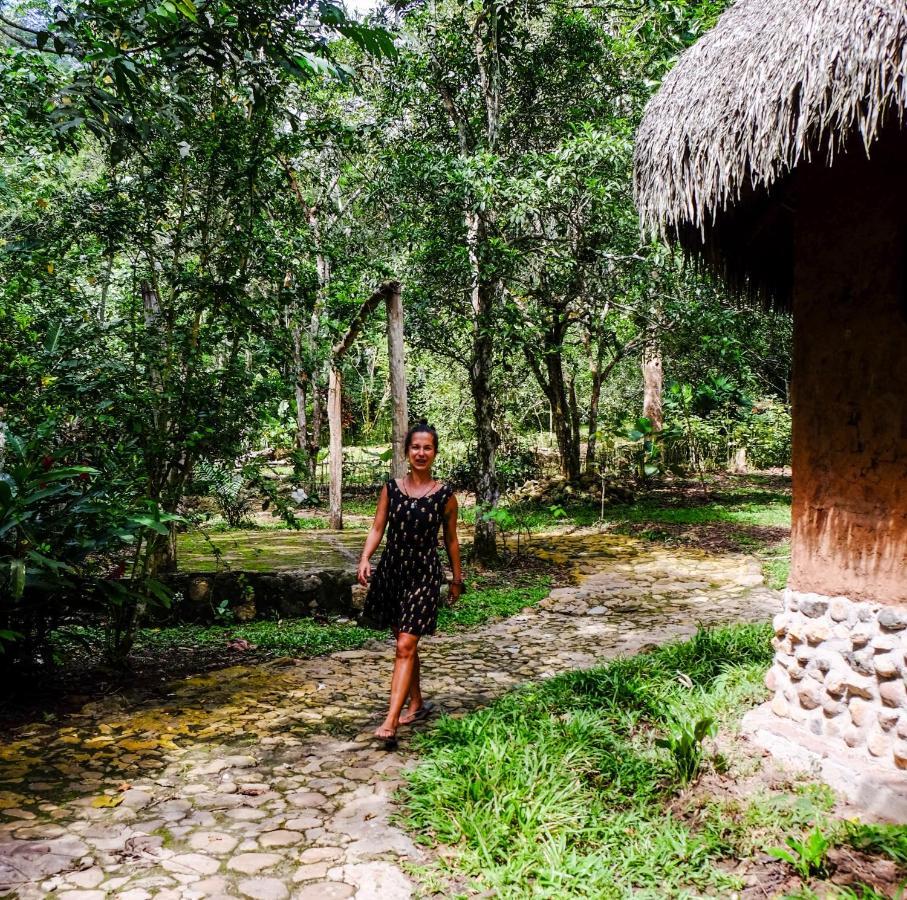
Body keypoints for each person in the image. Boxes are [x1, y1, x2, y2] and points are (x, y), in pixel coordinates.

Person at [357, 421, 463, 747]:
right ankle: (416, 703)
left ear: (435, 453)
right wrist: (364, 558)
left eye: (427, 448)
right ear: (406, 451)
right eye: (415, 447)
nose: (421, 453)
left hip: (423, 575)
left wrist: (457, 578)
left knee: (405, 646)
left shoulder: (445, 496)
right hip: (392, 572)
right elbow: (377, 528)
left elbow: (451, 540)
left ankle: (390, 721)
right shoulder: (391, 489)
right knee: (406, 644)